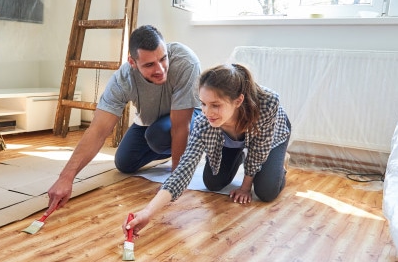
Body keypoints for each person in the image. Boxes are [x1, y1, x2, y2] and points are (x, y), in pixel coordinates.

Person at [123, 63, 291, 238]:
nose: (207, 112)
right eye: (203, 104)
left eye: (215, 105)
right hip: (230, 138)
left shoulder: (267, 105)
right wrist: (147, 212)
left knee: (266, 192)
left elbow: (259, 149)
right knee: (213, 183)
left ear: (238, 101)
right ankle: (238, 154)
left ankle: (280, 163)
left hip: (271, 137)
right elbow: (183, 170)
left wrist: (245, 186)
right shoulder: (205, 121)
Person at [47, 25, 202, 211]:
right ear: (133, 62)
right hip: (150, 121)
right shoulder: (123, 80)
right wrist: (66, 178)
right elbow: (97, 131)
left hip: (187, 119)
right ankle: (176, 149)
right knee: (125, 163)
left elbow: (180, 126)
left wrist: (176, 181)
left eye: (163, 59)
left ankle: (192, 148)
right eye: (149, 65)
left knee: (159, 134)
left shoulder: (186, 62)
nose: (160, 69)